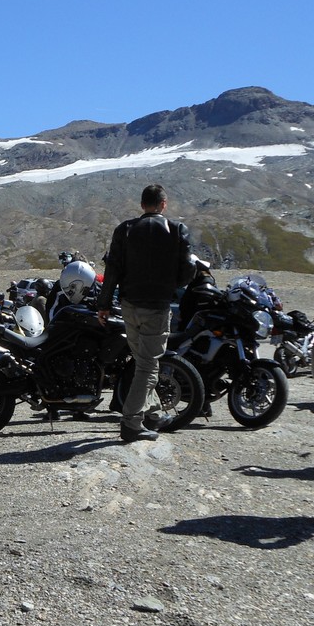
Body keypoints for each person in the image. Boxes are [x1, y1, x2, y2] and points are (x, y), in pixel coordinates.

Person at [96, 184, 196, 443]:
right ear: (164, 204)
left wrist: (104, 305)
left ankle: (153, 413)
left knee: (143, 361)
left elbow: (113, 271)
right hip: (157, 306)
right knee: (149, 365)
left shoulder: (125, 230)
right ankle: (131, 423)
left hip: (129, 306)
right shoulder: (176, 230)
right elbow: (188, 271)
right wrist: (170, 285)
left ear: (142, 205)